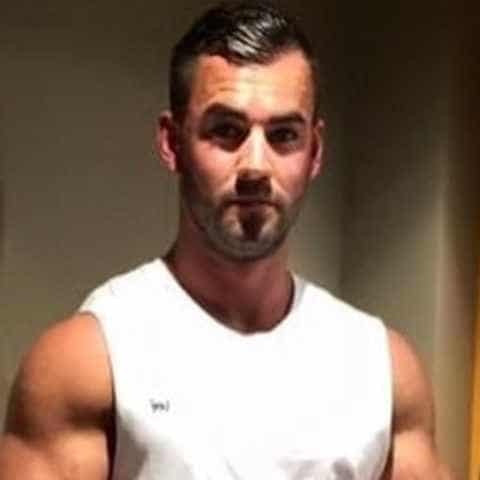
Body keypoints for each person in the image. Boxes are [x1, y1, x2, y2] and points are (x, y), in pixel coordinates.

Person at [0, 1, 453, 479]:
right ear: (172, 142)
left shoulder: (381, 368)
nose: (255, 165)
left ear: (315, 152)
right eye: (226, 131)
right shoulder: (87, 361)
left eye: (284, 135)